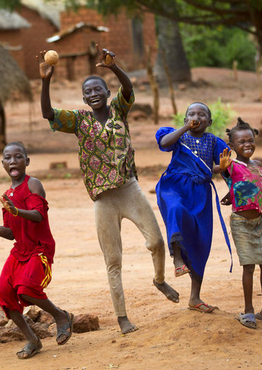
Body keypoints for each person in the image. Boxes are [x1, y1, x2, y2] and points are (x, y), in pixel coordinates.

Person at [39, 46, 179, 334]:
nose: (93, 93)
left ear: (106, 92)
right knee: (113, 261)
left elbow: (128, 88)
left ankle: (159, 279)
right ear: (84, 98)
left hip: (129, 190)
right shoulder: (79, 121)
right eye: (88, 91)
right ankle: (122, 318)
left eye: (97, 89)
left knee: (156, 241)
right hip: (103, 200)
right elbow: (47, 113)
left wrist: (113, 67)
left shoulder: (119, 109)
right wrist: (45, 80)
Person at [0, 141, 73, 359]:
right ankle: (32, 339)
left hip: (40, 249)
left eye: (18, 156)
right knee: (3, 293)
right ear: (2, 163)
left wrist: (17, 211)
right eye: (8, 157)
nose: (13, 161)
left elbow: (38, 215)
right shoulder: (7, 196)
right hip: (20, 250)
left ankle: (61, 317)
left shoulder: (33, 185)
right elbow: (10, 233)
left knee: (26, 288)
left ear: (27, 161)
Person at [155, 102, 232, 313]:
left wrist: (222, 170)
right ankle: (177, 258)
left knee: (201, 241)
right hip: (175, 186)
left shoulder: (215, 142)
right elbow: (163, 142)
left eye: (201, 114)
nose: (196, 117)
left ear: (210, 121)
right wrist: (185, 128)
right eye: (191, 114)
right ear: (184, 119)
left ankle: (195, 298)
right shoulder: (177, 136)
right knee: (176, 210)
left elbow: (216, 167)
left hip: (200, 193)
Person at [219, 118, 262, 329]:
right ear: (232, 147)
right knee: (248, 266)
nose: (247, 144)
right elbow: (221, 172)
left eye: (251, 140)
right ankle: (248, 311)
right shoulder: (231, 165)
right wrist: (220, 168)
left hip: (259, 223)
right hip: (240, 223)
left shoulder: (257, 166)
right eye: (241, 142)